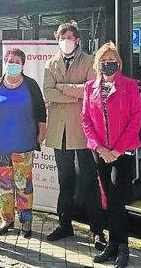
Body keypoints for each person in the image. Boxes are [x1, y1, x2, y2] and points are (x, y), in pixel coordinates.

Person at [43, 22, 106, 250]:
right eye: (62, 37)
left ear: (77, 39)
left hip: (83, 131)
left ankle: (97, 231)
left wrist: (63, 88)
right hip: (59, 132)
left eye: (70, 37)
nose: (66, 41)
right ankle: (64, 224)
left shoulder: (90, 61)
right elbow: (47, 92)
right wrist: (74, 92)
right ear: (57, 39)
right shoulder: (51, 63)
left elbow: (90, 90)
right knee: (65, 180)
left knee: (89, 181)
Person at [81, 42, 141, 268]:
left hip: (122, 153)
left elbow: (135, 120)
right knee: (109, 198)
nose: (108, 64)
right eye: (104, 61)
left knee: (117, 200)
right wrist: (100, 148)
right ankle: (113, 245)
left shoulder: (130, 86)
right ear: (98, 64)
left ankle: (122, 246)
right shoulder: (90, 88)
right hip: (101, 153)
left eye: (112, 60)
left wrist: (115, 150)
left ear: (119, 63)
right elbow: (86, 120)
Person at [0, 48, 47, 238]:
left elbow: (41, 111)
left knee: (23, 186)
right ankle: (6, 219)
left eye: (17, 61)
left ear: (23, 65)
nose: (13, 64)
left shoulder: (31, 85)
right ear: (5, 62)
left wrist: (42, 130)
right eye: (10, 60)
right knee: (3, 186)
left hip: (23, 144)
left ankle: (26, 222)